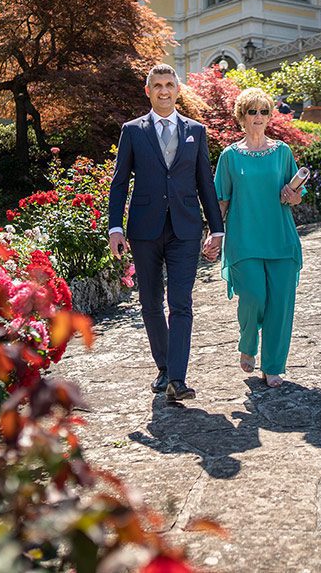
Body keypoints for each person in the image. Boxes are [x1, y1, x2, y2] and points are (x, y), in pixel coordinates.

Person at [108, 64, 225, 402]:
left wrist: (217, 229)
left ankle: (177, 378)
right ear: (148, 91)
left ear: (177, 90)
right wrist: (115, 226)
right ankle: (163, 367)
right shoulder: (132, 131)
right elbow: (119, 183)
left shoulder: (196, 131)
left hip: (185, 229)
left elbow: (205, 182)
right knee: (150, 301)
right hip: (144, 230)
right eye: (157, 85)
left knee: (181, 302)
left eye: (169, 85)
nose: (163, 91)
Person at [214, 87, 303, 388]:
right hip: (244, 239)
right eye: (252, 111)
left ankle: (274, 365)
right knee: (252, 296)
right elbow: (221, 200)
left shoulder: (282, 153)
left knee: (280, 303)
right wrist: (213, 235)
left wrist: (292, 194)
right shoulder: (229, 156)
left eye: (264, 111)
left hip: (280, 238)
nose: (258, 116)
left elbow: (297, 196)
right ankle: (247, 342)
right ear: (242, 116)